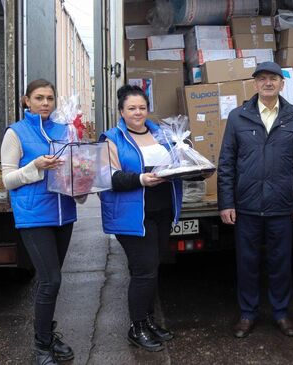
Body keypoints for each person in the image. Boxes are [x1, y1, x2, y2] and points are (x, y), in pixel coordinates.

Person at [217, 62, 293, 338]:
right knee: (247, 263)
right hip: (246, 206)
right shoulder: (238, 117)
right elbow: (226, 163)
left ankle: (281, 313)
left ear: (282, 84)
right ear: (255, 84)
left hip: (282, 206)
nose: (268, 83)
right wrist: (226, 202)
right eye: (262, 79)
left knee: (280, 262)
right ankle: (247, 314)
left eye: (273, 78)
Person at [99, 84, 182, 352]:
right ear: (121, 111)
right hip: (132, 214)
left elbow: (177, 164)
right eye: (132, 108)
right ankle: (136, 328)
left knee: (152, 268)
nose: (138, 112)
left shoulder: (161, 133)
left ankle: (147, 321)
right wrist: (141, 179)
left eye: (142, 107)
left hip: (161, 212)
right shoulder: (111, 139)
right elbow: (108, 177)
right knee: (144, 270)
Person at [1, 79, 78, 365]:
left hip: (64, 214)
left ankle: (48, 333)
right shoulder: (16, 133)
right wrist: (35, 166)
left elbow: (75, 168)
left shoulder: (64, 129)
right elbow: (8, 179)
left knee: (54, 283)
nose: (45, 103)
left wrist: (83, 178)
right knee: (50, 280)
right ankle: (42, 345)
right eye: (39, 98)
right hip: (34, 216)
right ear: (27, 101)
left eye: (49, 98)